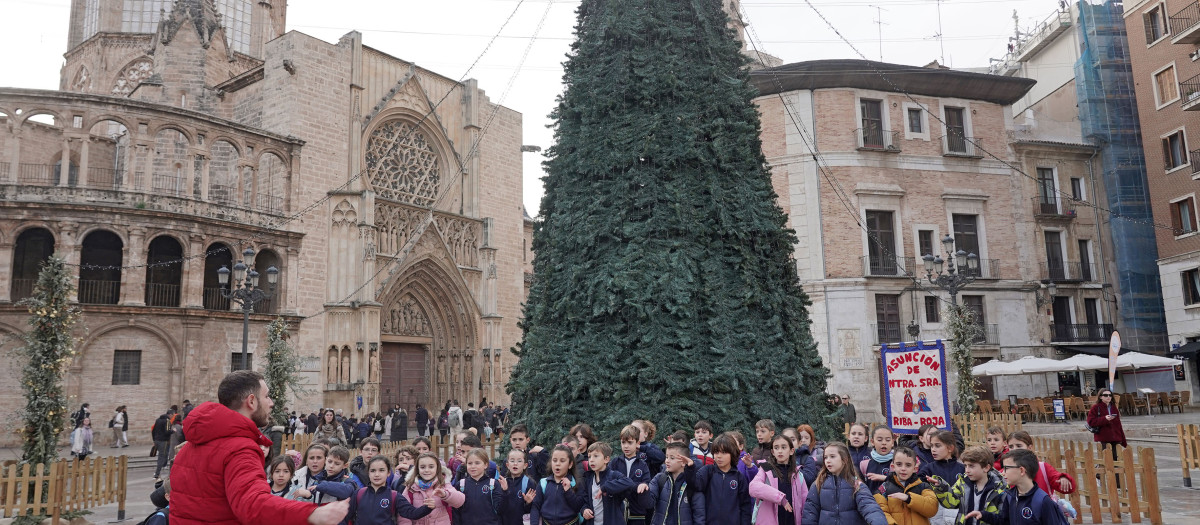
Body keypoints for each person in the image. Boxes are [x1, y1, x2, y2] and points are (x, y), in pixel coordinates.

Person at [169, 370, 350, 524]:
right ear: (251, 401)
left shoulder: (190, 446)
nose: (271, 403)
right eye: (267, 396)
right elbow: (252, 504)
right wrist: (312, 514)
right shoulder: (239, 448)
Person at [967, 449, 1069, 525]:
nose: (1003, 473)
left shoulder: (1043, 501)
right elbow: (1004, 521)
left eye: (1006, 468)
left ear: (1021, 471)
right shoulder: (1010, 496)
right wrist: (984, 515)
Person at [801, 443, 887, 525]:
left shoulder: (856, 484)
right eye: (825, 457)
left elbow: (869, 507)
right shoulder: (818, 484)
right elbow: (810, 514)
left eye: (832, 456)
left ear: (844, 459)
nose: (828, 461)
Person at [349, 456, 436, 525]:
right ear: (368, 473)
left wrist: (428, 508)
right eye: (373, 471)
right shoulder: (359, 494)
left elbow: (412, 513)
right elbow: (347, 516)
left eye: (381, 470)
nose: (377, 474)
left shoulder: (394, 496)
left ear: (388, 473)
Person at [929, 446, 1004, 525]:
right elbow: (951, 503)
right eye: (965, 466)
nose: (967, 470)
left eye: (971, 466)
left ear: (986, 468)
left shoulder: (1001, 488)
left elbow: (1003, 518)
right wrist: (941, 487)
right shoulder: (963, 482)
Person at [692, 433, 752, 525]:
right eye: (716, 452)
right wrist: (689, 469)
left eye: (723, 452)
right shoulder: (708, 471)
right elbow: (695, 485)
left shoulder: (739, 477)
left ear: (732, 453)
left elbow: (745, 506)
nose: (719, 456)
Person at [749, 434, 808, 525]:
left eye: (784, 447)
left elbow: (806, 502)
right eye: (776, 448)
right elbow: (753, 487)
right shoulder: (766, 469)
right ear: (772, 452)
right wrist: (780, 498)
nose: (780, 451)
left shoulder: (798, 474)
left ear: (791, 451)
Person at [874, 447, 937, 525]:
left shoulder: (923, 486)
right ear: (893, 467)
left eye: (908, 465)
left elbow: (932, 509)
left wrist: (909, 498)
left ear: (915, 468)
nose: (903, 468)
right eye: (899, 464)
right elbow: (880, 512)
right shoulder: (884, 488)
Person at [398, 452, 463, 525]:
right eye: (422, 467)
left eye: (431, 467)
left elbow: (460, 501)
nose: (426, 470)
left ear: (437, 468)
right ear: (417, 469)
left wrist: (445, 495)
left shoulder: (444, 484)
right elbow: (404, 513)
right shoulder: (410, 487)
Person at [1005, 432, 1075, 497]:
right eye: (1011, 447)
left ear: (1029, 448)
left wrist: (1063, 479)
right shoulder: (1007, 469)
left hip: (1042, 508)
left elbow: (1066, 488)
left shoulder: (1043, 467)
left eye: (1019, 446)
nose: (1015, 449)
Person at [647, 442, 703, 525]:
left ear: (684, 462)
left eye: (672, 458)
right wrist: (643, 492)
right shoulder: (659, 478)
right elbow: (648, 503)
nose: (667, 461)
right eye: (666, 457)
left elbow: (699, 515)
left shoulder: (692, 482)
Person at [581, 442, 635, 525]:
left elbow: (629, 483)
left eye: (596, 456)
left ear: (606, 459)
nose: (591, 459)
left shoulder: (613, 475)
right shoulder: (588, 478)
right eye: (589, 457)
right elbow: (584, 500)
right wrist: (584, 510)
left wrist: (605, 487)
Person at [530, 445, 587, 525]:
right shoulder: (543, 483)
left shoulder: (576, 483)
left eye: (562, 461)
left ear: (570, 464)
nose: (557, 464)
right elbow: (535, 506)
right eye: (555, 460)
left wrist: (568, 491)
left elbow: (578, 507)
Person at [919, 431, 966, 525]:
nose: (933, 449)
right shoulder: (928, 469)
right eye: (932, 446)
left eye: (937, 446)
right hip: (935, 515)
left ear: (950, 448)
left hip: (957, 514)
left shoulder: (962, 468)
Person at [611, 425, 654, 525]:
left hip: (637, 513)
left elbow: (646, 483)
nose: (626, 446)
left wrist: (643, 485)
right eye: (623, 442)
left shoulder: (642, 465)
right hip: (617, 512)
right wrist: (633, 485)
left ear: (637, 443)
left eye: (630, 442)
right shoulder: (615, 462)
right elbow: (610, 482)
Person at [454, 448, 506, 525]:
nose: (473, 466)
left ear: (485, 465)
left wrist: (505, 492)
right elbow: (456, 511)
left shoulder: (493, 484)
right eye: (470, 463)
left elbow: (500, 509)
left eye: (477, 463)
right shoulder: (461, 485)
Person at [1086, 389, 1127, 463]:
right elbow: (1091, 422)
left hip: (1116, 438)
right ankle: (1100, 473)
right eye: (1105, 395)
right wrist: (1104, 419)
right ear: (1101, 397)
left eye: (1110, 395)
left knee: (1116, 461)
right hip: (1103, 439)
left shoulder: (1114, 408)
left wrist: (1123, 440)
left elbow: (1119, 425)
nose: (1108, 397)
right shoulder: (1096, 407)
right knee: (1106, 460)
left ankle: (1116, 475)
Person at [498, 448, 536, 525]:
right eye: (512, 461)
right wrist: (504, 491)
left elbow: (533, 510)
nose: (515, 463)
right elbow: (499, 509)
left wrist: (528, 503)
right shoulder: (502, 483)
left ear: (525, 465)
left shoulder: (529, 483)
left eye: (519, 461)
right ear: (507, 465)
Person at [861, 425, 896, 494]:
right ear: (872, 442)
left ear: (892, 442)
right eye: (879, 440)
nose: (884, 443)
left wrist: (885, 478)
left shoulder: (897, 463)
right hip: (870, 502)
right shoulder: (864, 464)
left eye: (888, 440)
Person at [153, 409, 174, 480]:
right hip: (163, 440)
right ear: (170, 414)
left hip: (157, 440)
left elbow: (153, 430)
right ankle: (157, 473)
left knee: (161, 455)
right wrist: (173, 431)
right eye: (172, 415)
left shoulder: (158, 420)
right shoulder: (167, 420)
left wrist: (154, 439)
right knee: (162, 456)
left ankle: (158, 472)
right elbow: (167, 431)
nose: (172, 417)